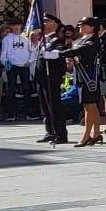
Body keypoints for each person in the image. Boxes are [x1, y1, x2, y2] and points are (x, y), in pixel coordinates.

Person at [66, 16, 106, 147]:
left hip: (89, 77)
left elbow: (81, 51)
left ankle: (87, 134)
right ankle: (96, 133)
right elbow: (74, 53)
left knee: (90, 106)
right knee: (87, 106)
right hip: (80, 75)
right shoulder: (79, 40)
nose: (81, 27)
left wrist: (62, 53)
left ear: (92, 27)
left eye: (85, 25)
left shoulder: (93, 40)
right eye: (80, 25)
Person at [34, 15, 67, 143]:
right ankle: (50, 131)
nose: (43, 23)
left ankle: (60, 134)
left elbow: (59, 57)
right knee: (45, 107)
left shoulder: (56, 40)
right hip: (41, 78)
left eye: (46, 21)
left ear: (54, 24)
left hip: (51, 79)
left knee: (54, 107)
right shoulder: (44, 40)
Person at [0, 22, 33, 120]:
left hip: (24, 66)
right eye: (14, 25)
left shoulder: (26, 38)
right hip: (12, 66)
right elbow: (4, 54)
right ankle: (11, 114)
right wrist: (7, 66)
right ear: (11, 27)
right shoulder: (6, 39)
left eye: (18, 25)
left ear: (21, 26)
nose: (16, 27)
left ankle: (29, 113)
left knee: (27, 89)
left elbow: (31, 51)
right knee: (11, 90)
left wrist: (29, 62)